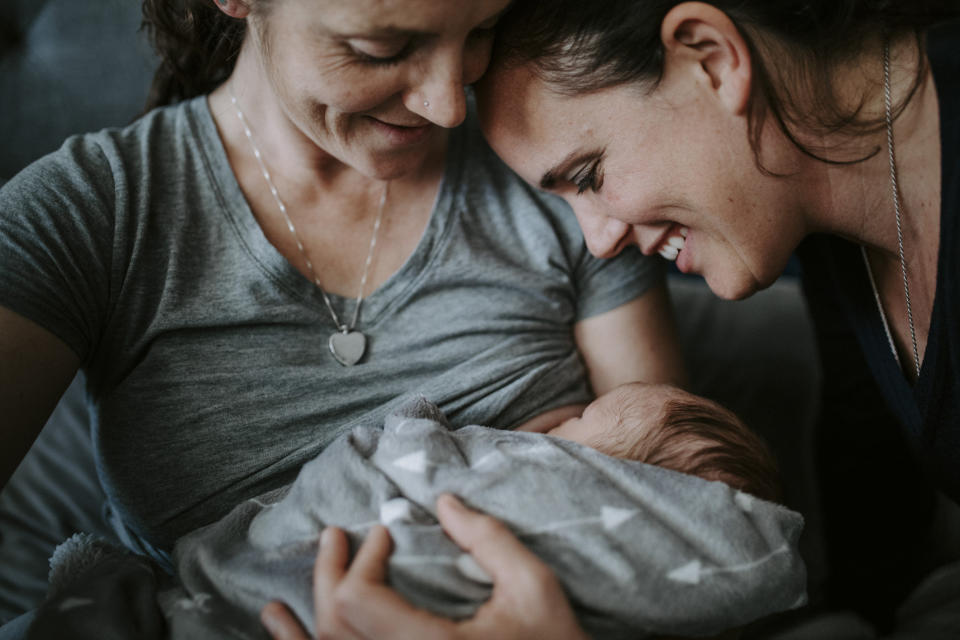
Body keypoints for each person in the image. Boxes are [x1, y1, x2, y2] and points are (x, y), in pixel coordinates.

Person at [0, 0, 693, 637]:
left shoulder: (557, 173)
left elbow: (685, 512)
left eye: (482, 31)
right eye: (382, 47)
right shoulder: (93, 214)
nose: (449, 103)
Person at [471, 0, 960, 632]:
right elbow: (872, 494)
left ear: (712, 57)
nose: (597, 242)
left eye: (589, 176)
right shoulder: (832, 235)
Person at [28, 383, 801, 640]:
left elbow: (388, 459)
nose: (556, 426)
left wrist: (421, 423)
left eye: (580, 423)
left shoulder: (559, 484)